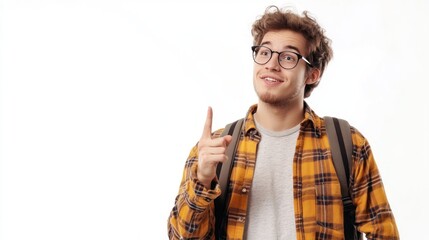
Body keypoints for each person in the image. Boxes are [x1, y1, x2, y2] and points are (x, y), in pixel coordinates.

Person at [167, 5, 399, 240]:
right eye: (264, 52)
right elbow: (182, 237)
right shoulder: (214, 149)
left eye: (288, 57)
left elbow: (384, 234)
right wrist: (203, 179)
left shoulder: (347, 144)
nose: (271, 64)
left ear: (312, 74)